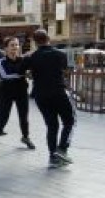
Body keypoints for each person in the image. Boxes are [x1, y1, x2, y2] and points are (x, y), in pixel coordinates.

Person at [21, 30, 76, 169]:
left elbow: (20, 70)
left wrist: (29, 67)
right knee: (69, 121)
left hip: (41, 96)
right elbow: (67, 69)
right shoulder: (60, 54)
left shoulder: (31, 57)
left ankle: (53, 157)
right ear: (49, 39)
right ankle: (62, 149)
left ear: (34, 41)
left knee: (52, 126)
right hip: (59, 93)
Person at [0, 37, 35, 151]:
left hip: (22, 91)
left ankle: (26, 137)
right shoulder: (1, 61)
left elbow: (30, 73)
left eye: (17, 45)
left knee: (24, 117)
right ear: (6, 48)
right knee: (3, 118)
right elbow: (5, 75)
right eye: (12, 45)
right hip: (6, 93)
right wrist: (22, 74)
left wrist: (26, 73)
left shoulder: (23, 59)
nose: (15, 47)